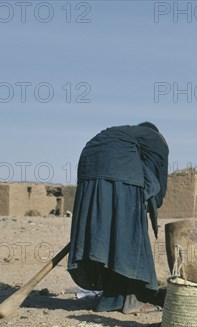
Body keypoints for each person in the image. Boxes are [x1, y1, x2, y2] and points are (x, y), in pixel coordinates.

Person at [68, 122, 169, 314]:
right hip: (120, 175)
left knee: (107, 238)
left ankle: (113, 299)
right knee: (129, 239)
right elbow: (160, 175)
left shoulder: (121, 136)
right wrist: (151, 202)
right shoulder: (156, 139)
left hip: (89, 172)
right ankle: (133, 301)